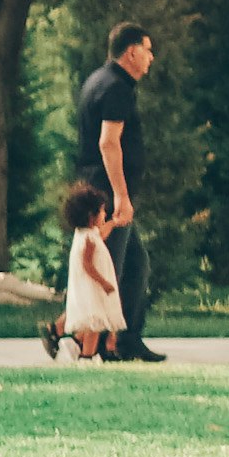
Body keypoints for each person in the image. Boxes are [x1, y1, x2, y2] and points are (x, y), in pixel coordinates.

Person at [74, 22, 164, 364]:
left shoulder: (99, 80)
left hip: (98, 188)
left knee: (135, 266)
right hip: (107, 195)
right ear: (131, 51)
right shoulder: (116, 88)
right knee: (108, 268)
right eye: (147, 49)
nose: (151, 57)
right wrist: (121, 197)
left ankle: (125, 339)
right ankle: (98, 346)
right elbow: (108, 143)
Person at [42, 177, 125, 363]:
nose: (104, 215)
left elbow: (102, 233)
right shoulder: (87, 239)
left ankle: (81, 351)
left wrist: (114, 222)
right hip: (91, 290)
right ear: (91, 216)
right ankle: (87, 357)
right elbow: (87, 265)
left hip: (91, 290)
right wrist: (104, 283)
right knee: (93, 326)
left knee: (93, 326)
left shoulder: (88, 234)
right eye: (102, 212)